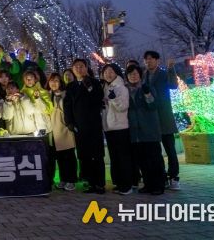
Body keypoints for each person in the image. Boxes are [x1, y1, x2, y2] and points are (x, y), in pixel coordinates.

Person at [64, 58, 106, 194]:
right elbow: (67, 106)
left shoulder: (94, 82)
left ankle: (100, 184)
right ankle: (90, 182)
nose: (79, 69)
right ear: (72, 69)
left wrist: (89, 88)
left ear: (86, 68)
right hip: (79, 126)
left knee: (97, 155)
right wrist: (69, 122)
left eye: (81, 66)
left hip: (94, 124)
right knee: (84, 155)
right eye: (76, 67)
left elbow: (98, 100)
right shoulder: (70, 86)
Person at [143, 50, 180, 190]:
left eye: (151, 59)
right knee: (155, 152)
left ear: (157, 60)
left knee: (170, 150)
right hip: (151, 119)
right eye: (146, 59)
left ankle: (174, 177)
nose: (148, 61)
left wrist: (171, 68)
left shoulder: (164, 74)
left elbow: (173, 85)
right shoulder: (143, 76)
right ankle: (162, 177)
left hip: (164, 117)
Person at [126, 64, 166, 195]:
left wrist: (147, 93)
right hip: (135, 131)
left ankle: (159, 185)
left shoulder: (147, 87)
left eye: (135, 73)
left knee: (154, 159)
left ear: (140, 75)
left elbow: (153, 105)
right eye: (130, 74)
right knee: (142, 160)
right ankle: (148, 184)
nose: (133, 76)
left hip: (149, 129)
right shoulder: (126, 91)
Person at [101, 63, 132, 195]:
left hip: (120, 127)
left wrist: (113, 99)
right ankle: (119, 183)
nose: (108, 74)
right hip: (109, 127)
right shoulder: (105, 87)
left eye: (111, 71)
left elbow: (123, 107)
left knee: (123, 157)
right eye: (105, 72)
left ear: (116, 73)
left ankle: (127, 185)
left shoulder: (121, 87)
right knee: (114, 157)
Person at [47, 73, 76, 191]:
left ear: (60, 82)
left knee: (69, 156)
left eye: (56, 81)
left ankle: (71, 180)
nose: (53, 83)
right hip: (54, 129)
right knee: (59, 157)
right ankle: (63, 179)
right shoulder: (48, 95)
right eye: (51, 81)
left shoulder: (66, 94)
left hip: (65, 128)